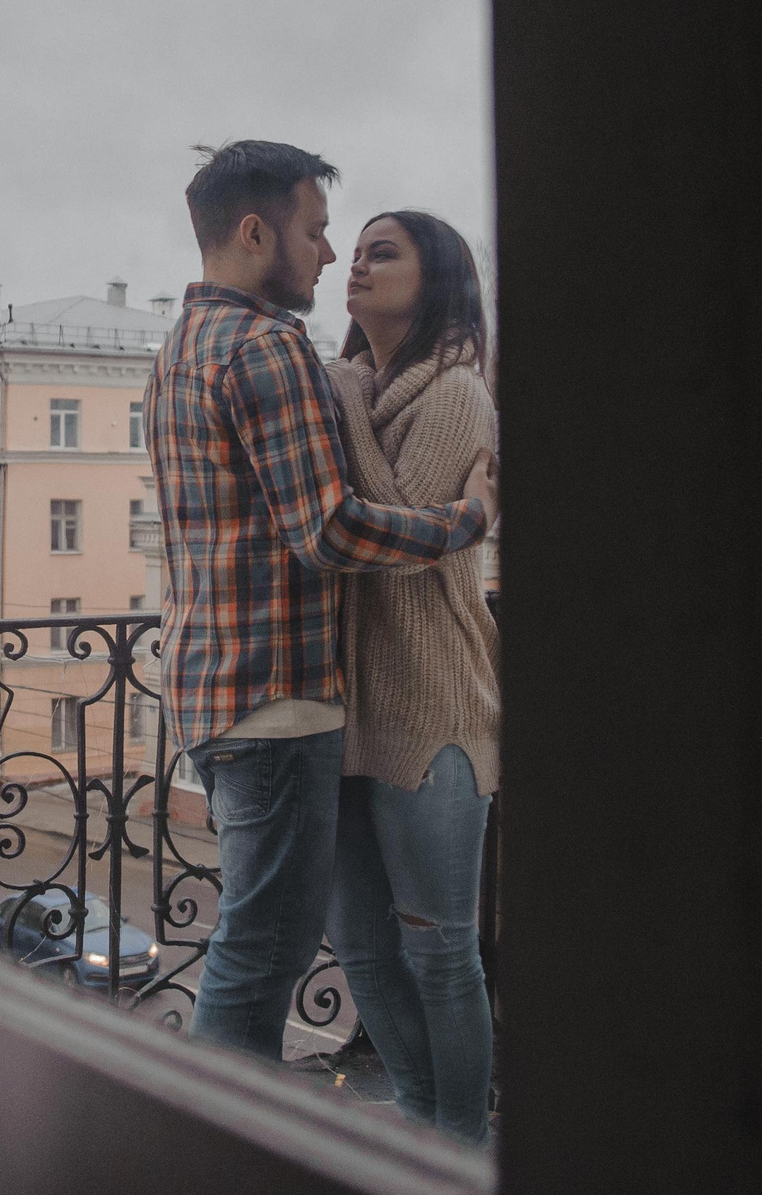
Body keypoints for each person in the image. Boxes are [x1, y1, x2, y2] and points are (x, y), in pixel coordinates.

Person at [142, 141, 495, 1066]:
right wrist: (467, 521)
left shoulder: (181, 343)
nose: (330, 256)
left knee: (266, 944)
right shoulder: (267, 348)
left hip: (211, 690)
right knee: (262, 955)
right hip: (279, 696)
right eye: (318, 231)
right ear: (258, 232)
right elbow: (330, 533)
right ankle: (225, 1146)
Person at [322, 210, 501, 1143]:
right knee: (357, 940)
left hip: (437, 704)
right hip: (345, 703)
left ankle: (461, 1148)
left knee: (441, 954)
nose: (356, 266)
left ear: (435, 278)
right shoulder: (353, 381)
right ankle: (424, 1123)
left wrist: (341, 397)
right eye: (352, 252)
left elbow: (390, 531)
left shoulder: (461, 390)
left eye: (381, 253)